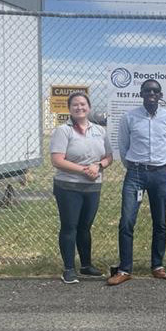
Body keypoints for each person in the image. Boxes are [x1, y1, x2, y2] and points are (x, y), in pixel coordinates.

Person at [107, 79, 166, 286]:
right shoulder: (129, 118)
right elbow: (123, 144)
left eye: (155, 91)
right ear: (141, 93)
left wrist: (161, 161)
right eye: (147, 90)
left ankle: (157, 265)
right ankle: (124, 269)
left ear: (160, 94)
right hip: (135, 174)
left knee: (160, 221)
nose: (151, 93)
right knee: (127, 221)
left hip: (159, 174)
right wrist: (132, 166)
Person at [50, 91, 113, 284]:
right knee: (70, 227)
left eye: (83, 104)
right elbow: (57, 160)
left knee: (85, 227)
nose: (79, 107)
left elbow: (109, 157)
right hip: (69, 186)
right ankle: (69, 269)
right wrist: (84, 170)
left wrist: (98, 166)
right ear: (69, 109)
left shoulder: (100, 130)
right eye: (75, 105)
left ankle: (86, 265)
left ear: (89, 107)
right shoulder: (63, 130)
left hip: (92, 187)